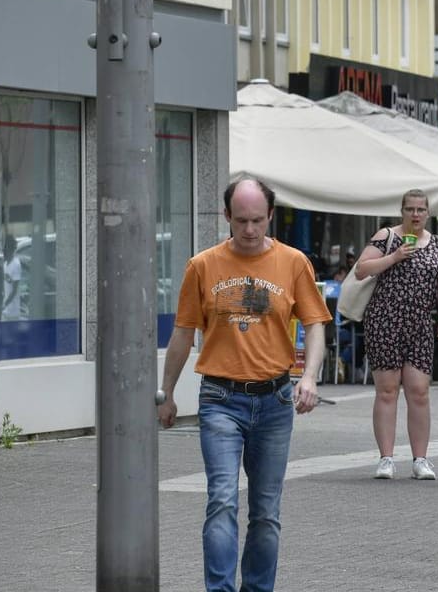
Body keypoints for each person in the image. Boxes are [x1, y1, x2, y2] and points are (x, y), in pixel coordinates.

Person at [158, 177, 328, 592]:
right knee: (221, 501)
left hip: (274, 399)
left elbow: (315, 324)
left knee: (266, 512)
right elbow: (182, 334)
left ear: (271, 216)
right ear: (226, 217)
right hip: (220, 398)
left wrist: (309, 376)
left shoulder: (293, 262)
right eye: (240, 221)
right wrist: (166, 395)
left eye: (257, 221)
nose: (249, 231)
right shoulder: (202, 266)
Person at [354, 190, 438, 481]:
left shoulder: (436, 244)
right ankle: (386, 458)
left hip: (420, 323)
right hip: (385, 320)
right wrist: (394, 256)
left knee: (419, 391)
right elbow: (361, 270)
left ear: (428, 213)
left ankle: (420, 459)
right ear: (402, 211)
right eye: (410, 209)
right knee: (387, 390)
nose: (416, 214)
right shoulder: (387, 237)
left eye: (421, 209)